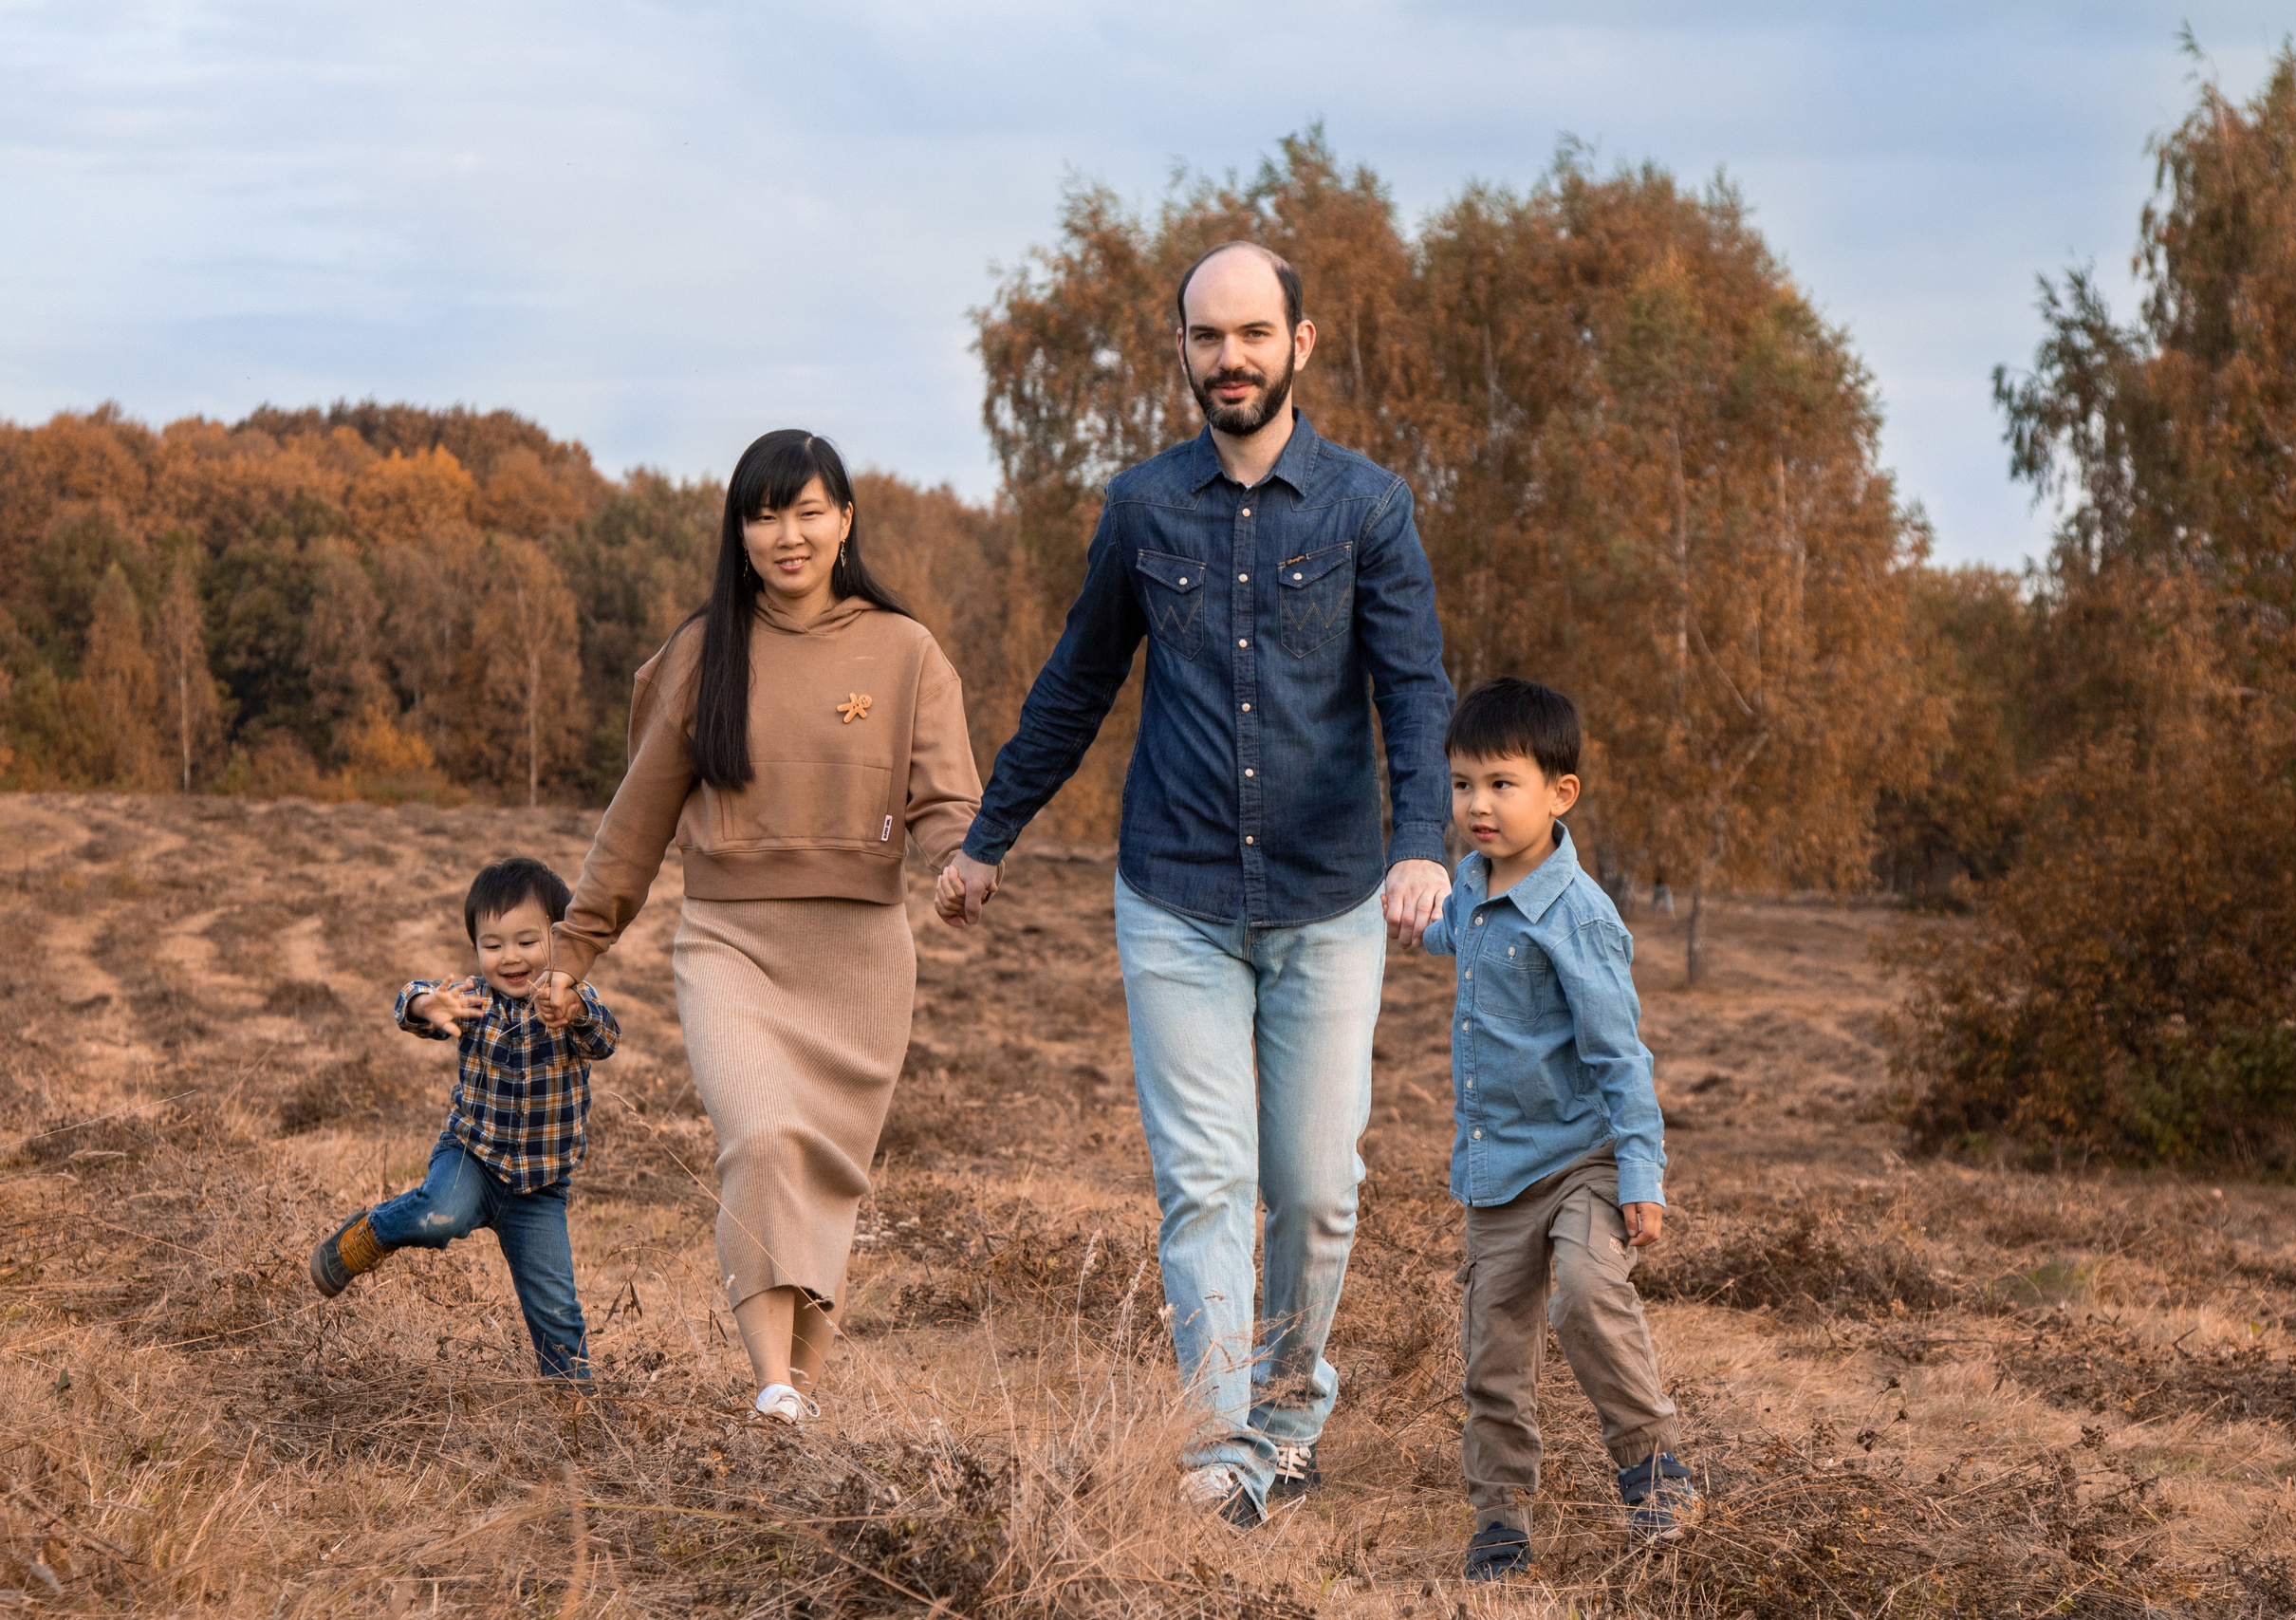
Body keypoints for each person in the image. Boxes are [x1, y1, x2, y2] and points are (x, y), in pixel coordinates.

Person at [936, 241, 1455, 1525]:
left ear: (1301, 343)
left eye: (1253, 334)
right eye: (1207, 337)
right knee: (1208, 1180)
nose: (1230, 357)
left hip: (1332, 897)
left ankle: (1289, 1408)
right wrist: (989, 833)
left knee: (1317, 1187)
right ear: (1182, 353)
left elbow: (1416, 688)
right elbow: (1076, 682)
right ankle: (1222, 1447)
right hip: (1174, 894)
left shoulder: (1369, 509)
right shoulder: (1142, 507)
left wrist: (1425, 837)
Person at [535, 430, 982, 1424]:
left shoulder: (904, 650)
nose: (787, 534)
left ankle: (797, 1400)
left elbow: (948, 797)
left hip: (863, 954)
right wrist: (575, 945)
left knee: (830, 1170)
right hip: (730, 943)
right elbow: (637, 816)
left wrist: (957, 868)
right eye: (764, 514)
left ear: (845, 521)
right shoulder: (705, 651)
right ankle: (770, 1377)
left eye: (807, 510)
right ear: (740, 532)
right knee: (762, 1138)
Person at [1420, 679, 1697, 1582]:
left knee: (1584, 1290)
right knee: (1493, 1352)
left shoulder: (1582, 919)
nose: (1478, 806)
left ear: (1560, 793)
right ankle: (1499, 1518)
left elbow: (1621, 1057)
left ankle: (1654, 1469)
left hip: (1583, 1159)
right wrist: (1396, 903)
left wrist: (1641, 1172)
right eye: (1464, 785)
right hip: (1496, 1172)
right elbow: (1449, 933)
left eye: (1502, 784)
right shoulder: (1468, 883)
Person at [309, 857, 620, 1384]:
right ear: (476, 947)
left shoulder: (570, 1001)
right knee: (439, 1216)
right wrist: (428, 1004)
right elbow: (410, 999)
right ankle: (369, 1233)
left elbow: (606, 1040)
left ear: (560, 941)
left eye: (527, 941)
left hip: (538, 1189)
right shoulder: (473, 1000)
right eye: (493, 944)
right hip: (471, 1159)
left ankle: (573, 1411)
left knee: (557, 1312)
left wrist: (576, 1014)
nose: (510, 957)